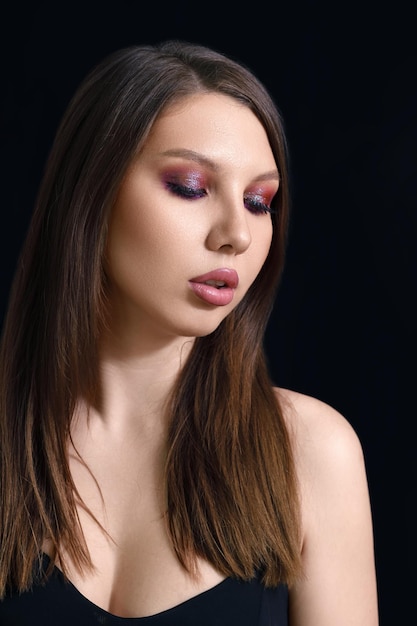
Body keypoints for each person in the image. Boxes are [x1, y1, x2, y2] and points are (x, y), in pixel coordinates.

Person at [0, 39, 378, 625]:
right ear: (91, 194)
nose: (238, 234)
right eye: (191, 187)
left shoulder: (311, 454)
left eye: (258, 201)